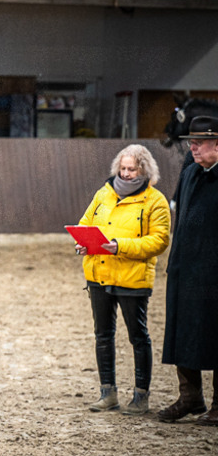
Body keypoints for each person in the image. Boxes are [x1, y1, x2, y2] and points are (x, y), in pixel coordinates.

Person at [74, 144, 170, 415]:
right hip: (99, 274)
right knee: (103, 336)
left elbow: (159, 240)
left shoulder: (155, 201)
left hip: (133, 277)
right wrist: (83, 241)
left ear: (144, 170)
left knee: (138, 336)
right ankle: (108, 393)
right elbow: (85, 223)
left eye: (132, 169)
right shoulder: (103, 194)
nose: (126, 174)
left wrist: (121, 246)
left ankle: (141, 395)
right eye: (123, 168)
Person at [158, 116, 218, 425]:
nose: (191, 147)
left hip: (214, 271)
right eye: (191, 142)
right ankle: (190, 396)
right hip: (186, 267)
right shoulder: (191, 172)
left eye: (199, 142)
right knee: (183, 330)